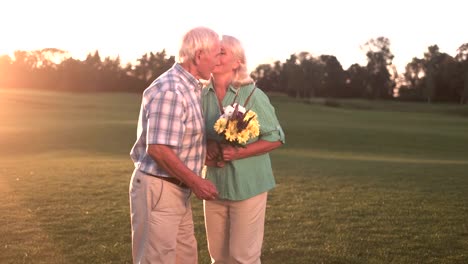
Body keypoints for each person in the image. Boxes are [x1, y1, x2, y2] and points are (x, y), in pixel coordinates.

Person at [129, 26, 221, 264]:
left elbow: (178, 137)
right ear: (199, 55)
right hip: (160, 189)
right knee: (157, 259)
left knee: (186, 258)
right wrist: (197, 181)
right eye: (217, 54)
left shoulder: (191, 87)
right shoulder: (172, 89)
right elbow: (158, 148)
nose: (218, 62)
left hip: (177, 190)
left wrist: (205, 148)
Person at [202, 35, 285, 264]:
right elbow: (194, 133)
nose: (215, 57)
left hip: (249, 186)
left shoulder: (252, 95)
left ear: (237, 62)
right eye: (213, 52)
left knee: (242, 257)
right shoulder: (199, 94)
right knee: (218, 257)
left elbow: (276, 137)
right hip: (213, 186)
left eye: (222, 52)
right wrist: (207, 144)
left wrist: (239, 152)